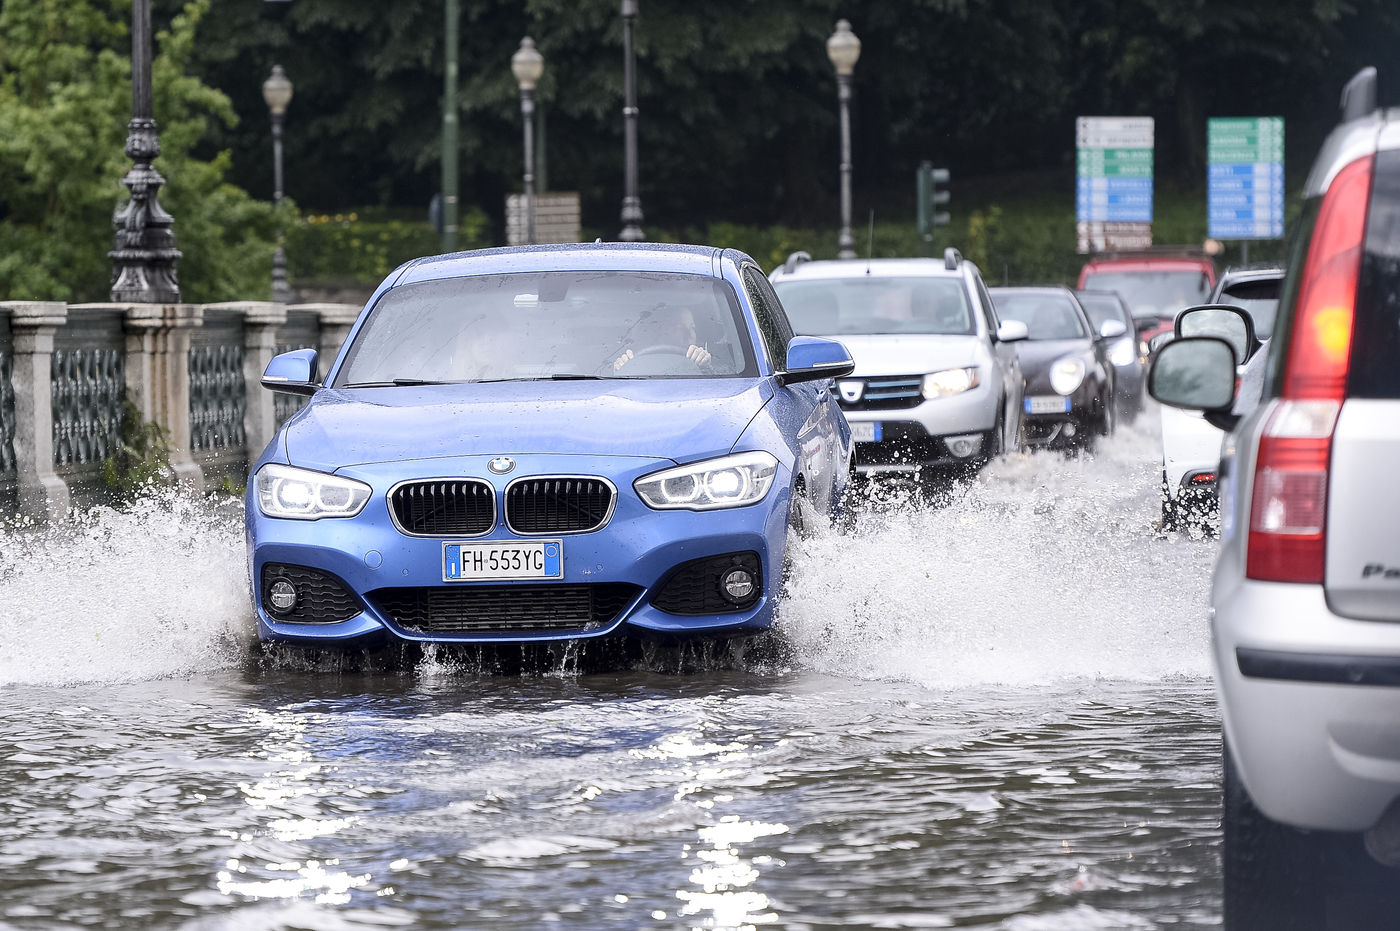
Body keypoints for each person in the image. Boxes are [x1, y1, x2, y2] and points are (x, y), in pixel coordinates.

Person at [612, 306, 712, 372]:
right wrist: (622, 371)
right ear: (657, 333)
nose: (689, 334)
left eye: (692, 327)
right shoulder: (633, 364)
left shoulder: (701, 364)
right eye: (679, 328)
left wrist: (705, 367)